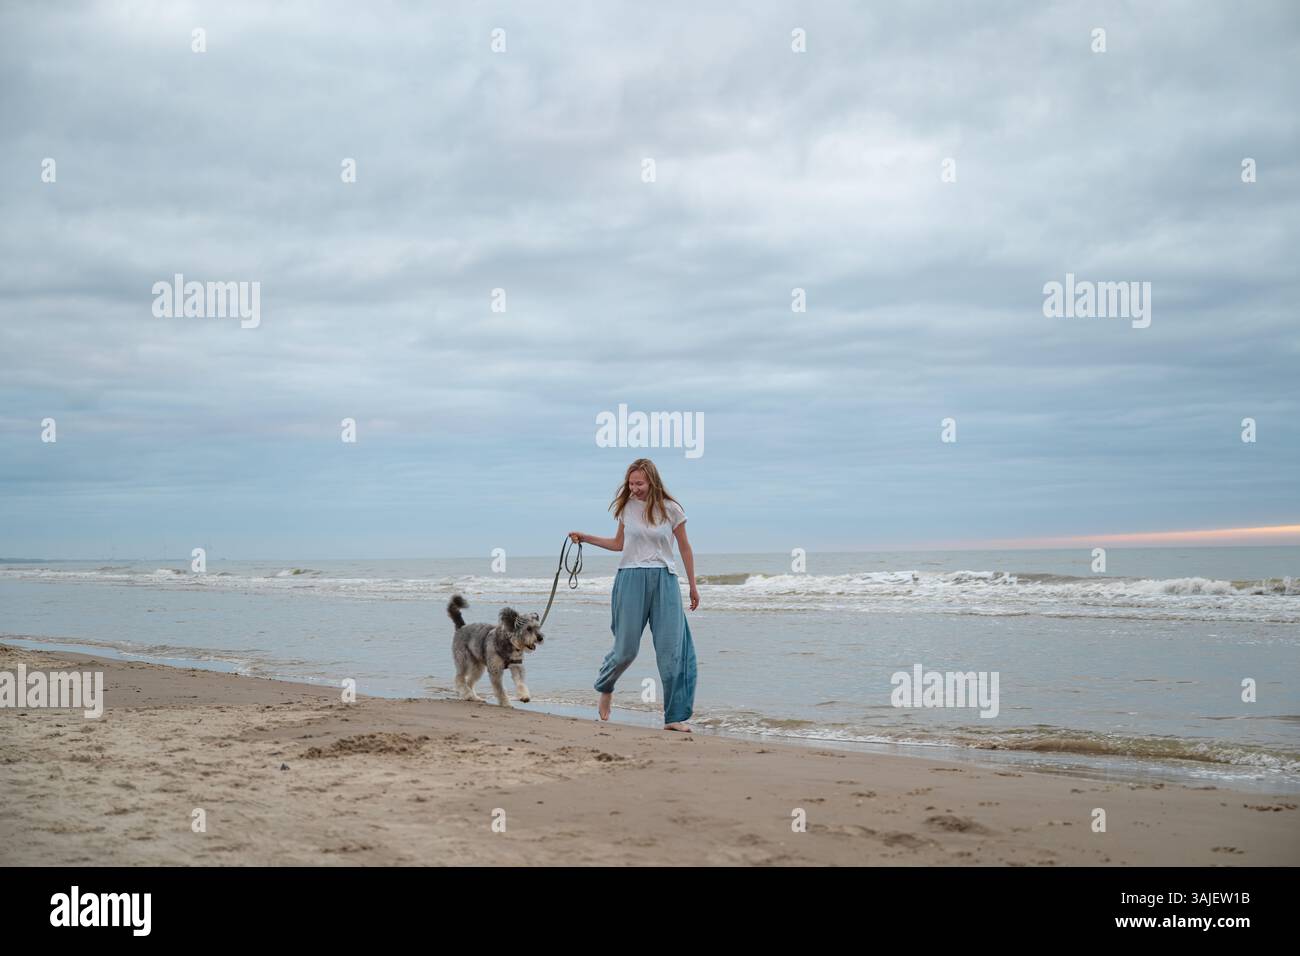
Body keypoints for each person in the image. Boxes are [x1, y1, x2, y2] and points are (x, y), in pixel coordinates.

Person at [569, 458, 699, 732]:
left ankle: (673, 717)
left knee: (672, 651)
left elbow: (685, 548)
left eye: (639, 483)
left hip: (665, 579)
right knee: (626, 649)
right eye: (630, 483)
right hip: (631, 578)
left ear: (652, 481)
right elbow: (618, 544)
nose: (634, 488)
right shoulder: (626, 508)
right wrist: (586, 537)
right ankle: (606, 686)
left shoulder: (671, 509)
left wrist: (692, 585)